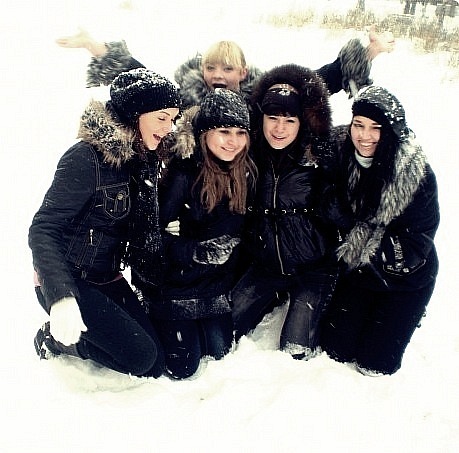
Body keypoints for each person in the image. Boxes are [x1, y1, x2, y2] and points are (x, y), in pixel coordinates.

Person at [30, 68, 181, 378]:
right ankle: (56, 339)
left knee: (154, 364)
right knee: (140, 358)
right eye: (162, 117)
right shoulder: (85, 158)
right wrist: (61, 296)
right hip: (70, 280)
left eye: (173, 119)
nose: (169, 128)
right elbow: (43, 228)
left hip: (106, 277)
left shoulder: (143, 157)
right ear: (136, 114)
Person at [134, 89, 257, 379]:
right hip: (175, 287)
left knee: (220, 353)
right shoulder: (183, 173)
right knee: (182, 367)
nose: (233, 141)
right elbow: (148, 238)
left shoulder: (246, 172)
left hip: (214, 287)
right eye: (224, 131)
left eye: (240, 133)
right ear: (204, 133)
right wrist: (194, 250)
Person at [319, 85, 440, 376]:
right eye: (358, 125)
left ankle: (409, 312)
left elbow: (417, 240)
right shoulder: (340, 151)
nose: (365, 136)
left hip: (405, 275)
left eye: (376, 128)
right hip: (358, 269)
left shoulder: (416, 174)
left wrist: (356, 237)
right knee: (335, 350)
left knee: (375, 365)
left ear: (392, 130)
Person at [230, 64, 342, 360]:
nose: (279, 129)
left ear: (302, 122)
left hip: (313, 267)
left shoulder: (320, 153)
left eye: (289, 120)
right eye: (273, 118)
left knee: (295, 351)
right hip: (266, 264)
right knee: (225, 329)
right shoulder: (247, 152)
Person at [55, 27, 395, 106]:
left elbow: (317, 81)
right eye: (211, 68)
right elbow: (142, 77)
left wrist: (370, 52)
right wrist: (93, 46)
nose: (217, 75)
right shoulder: (189, 97)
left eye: (227, 69)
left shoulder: (262, 97)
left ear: (243, 73)